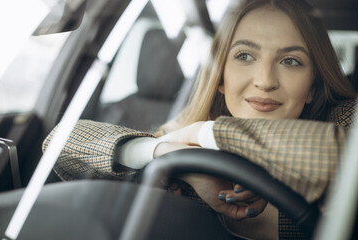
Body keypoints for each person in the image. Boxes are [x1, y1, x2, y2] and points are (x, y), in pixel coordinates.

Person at [43, 0, 357, 239]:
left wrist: (208, 134)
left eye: (290, 61)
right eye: (244, 56)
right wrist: (172, 155)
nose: (265, 80)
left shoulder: (346, 118)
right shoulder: (186, 146)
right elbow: (60, 142)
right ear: (221, 78)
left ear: (312, 88)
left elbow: (347, 159)